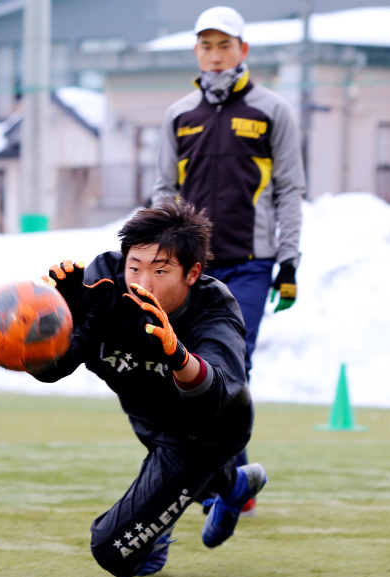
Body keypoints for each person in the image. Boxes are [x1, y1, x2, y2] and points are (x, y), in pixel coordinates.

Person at [33, 199, 267, 577]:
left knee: (112, 553)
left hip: (210, 430)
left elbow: (220, 390)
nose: (142, 283)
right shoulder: (104, 284)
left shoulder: (214, 305)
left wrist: (176, 354)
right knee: (170, 480)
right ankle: (234, 483)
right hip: (150, 420)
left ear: (192, 273)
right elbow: (52, 372)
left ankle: (211, 489)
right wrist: (60, 326)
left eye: (160, 270)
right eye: (135, 268)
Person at [151, 5, 306, 513]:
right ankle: (227, 480)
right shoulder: (179, 115)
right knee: (186, 370)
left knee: (233, 366)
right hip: (190, 268)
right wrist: (155, 260)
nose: (215, 56)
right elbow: (163, 191)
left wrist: (288, 262)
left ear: (243, 50)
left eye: (224, 46)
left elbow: (289, 190)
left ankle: (227, 480)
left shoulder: (272, 111)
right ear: (196, 52)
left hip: (250, 264)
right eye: (206, 46)